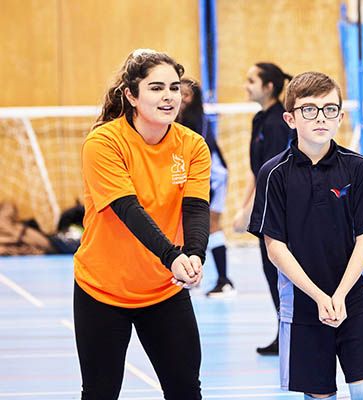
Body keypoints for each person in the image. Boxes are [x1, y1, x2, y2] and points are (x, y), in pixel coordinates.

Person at [73, 49, 210, 400]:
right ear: (131, 95)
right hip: (103, 290)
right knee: (100, 392)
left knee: (185, 389)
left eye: (174, 88)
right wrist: (172, 255)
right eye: (156, 88)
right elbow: (127, 209)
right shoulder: (103, 143)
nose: (168, 96)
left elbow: (195, 208)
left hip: (163, 289)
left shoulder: (192, 145)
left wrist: (194, 255)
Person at [248, 71, 363, 400]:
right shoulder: (273, 174)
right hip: (302, 302)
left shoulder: (358, 167)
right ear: (290, 118)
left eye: (329, 109)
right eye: (309, 110)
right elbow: (274, 247)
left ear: (340, 116)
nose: (320, 118)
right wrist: (318, 296)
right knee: (319, 394)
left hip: (353, 298)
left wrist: (339, 295)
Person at [233, 62, 295, 355]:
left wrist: (249, 210)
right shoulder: (259, 120)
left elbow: (271, 171)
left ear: (269, 86)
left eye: (251, 80)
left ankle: (296, 333)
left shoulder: (278, 122)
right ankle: (284, 332)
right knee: (270, 272)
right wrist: (244, 208)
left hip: (283, 208)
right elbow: (255, 170)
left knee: (283, 271)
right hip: (264, 208)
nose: (246, 85)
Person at [178, 77, 236, 297]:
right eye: (179, 93)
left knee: (211, 224)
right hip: (204, 176)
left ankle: (224, 280)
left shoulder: (196, 120)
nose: (181, 99)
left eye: (186, 94)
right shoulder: (178, 119)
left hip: (214, 177)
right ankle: (194, 277)